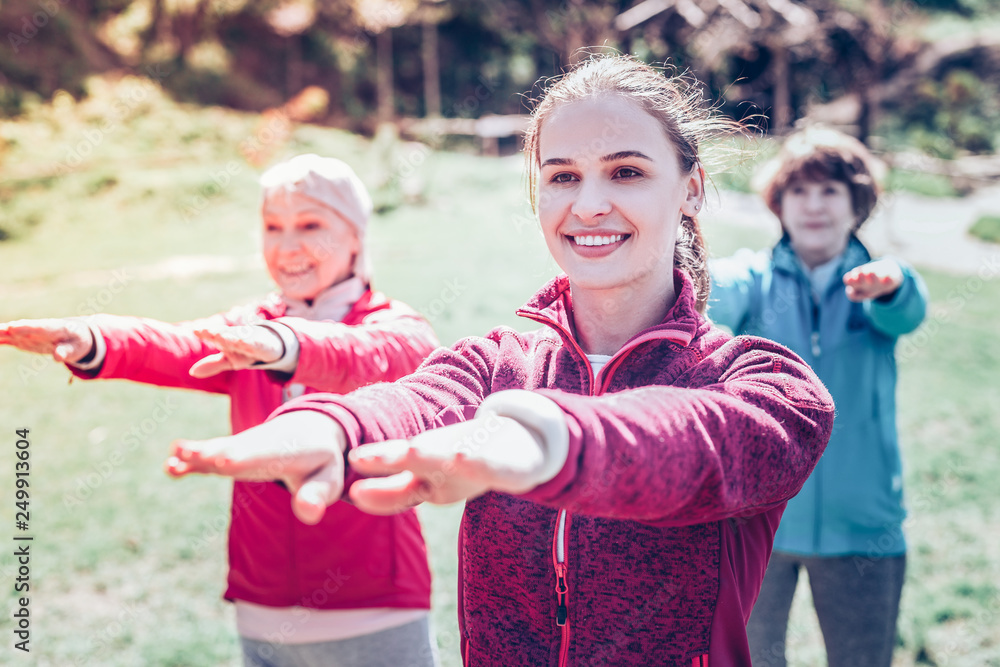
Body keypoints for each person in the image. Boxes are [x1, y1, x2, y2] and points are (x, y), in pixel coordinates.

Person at [166, 55, 835, 666]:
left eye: (626, 172)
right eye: (563, 177)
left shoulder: (765, 384)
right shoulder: (494, 363)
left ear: (691, 189)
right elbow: (412, 400)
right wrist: (331, 427)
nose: (589, 203)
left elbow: (695, 441)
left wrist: (544, 440)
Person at [0, 154, 441, 667]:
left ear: (357, 238)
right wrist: (93, 336)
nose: (288, 245)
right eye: (272, 226)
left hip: (375, 603)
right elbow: (173, 345)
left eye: (311, 224)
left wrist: (281, 344)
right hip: (262, 600)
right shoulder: (246, 326)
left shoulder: (394, 325)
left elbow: (377, 355)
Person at [708, 127, 928, 667]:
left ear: (859, 204)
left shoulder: (875, 283)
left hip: (863, 526)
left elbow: (908, 306)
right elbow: (711, 292)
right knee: (753, 659)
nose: (813, 206)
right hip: (758, 518)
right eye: (799, 191)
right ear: (778, 202)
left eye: (830, 191)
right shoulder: (754, 280)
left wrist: (892, 281)